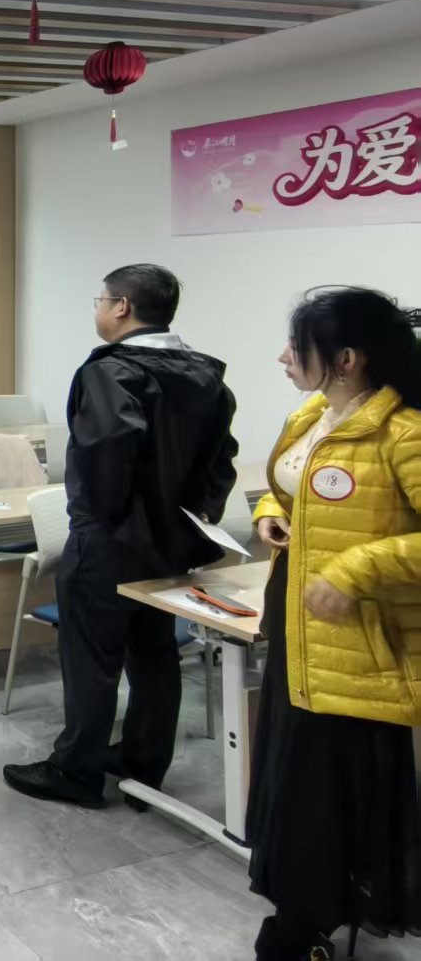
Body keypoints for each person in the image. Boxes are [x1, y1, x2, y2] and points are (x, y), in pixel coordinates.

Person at [3, 264, 238, 806]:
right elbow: (222, 460)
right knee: (154, 652)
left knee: (91, 658)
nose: (98, 309)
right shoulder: (205, 374)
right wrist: (189, 520)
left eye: (100, 300)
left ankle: (76, 771)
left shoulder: (110, 371)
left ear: (122, 307)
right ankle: (143, 764)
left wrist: (106, 522)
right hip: (173, 543)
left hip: (110, 543)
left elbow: (107, 453)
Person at [243, 288, 421, 960]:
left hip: (356, 636)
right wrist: (269, 513)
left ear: (347, 359)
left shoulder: (403, 433)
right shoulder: (313, 415)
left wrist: (355, 570)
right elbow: (290, 490)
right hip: (298, 614)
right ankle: (302, 910)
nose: (283, 357)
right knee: (293, 774)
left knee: (327, 787)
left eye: (299, 346)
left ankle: (310, 923)